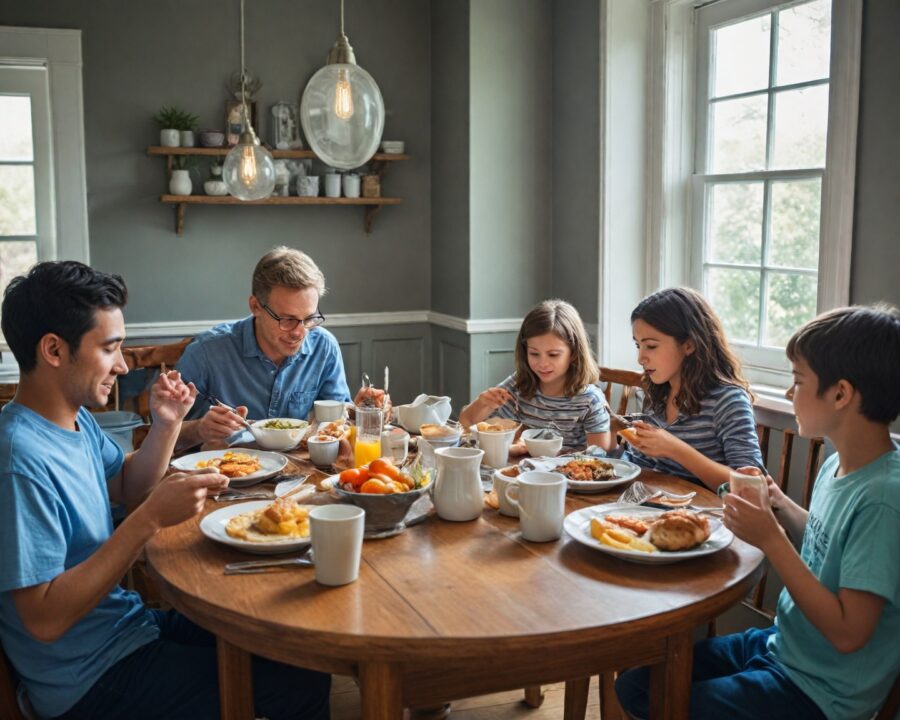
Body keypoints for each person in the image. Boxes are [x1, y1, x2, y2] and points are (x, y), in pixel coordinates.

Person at [0, 261, 330, 720]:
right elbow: (44, 619)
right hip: (89, 678)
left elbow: (128, 485)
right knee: (298, 684)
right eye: (110, 347)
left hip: (125, 627)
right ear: (54, 349)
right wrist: (150, 518)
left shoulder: (73, 421)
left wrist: (168, 425)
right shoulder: (20, 460)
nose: (121, 364)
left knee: (294, 650)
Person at [616, 304, 900, 720]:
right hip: (782, 645)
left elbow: (847, 634)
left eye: (798, 381)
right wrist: (782, 507)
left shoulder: (883, 499)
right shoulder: (839, 463)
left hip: (820, 691)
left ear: (840, 394)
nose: (788, 393)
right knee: (636, 683)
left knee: (662, 702)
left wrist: (770, 537)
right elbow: (824, 538)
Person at [175, 246, 358, 447]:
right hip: (224, 472)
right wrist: (199, 429)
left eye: (309, 318)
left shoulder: (324, 347)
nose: (299, 332)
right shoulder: (207, 353)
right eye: (287, 319)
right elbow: (160, 436)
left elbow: (338, 423)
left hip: (300, 471)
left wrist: (359, 410)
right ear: (255, 307)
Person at [624, 287, 764, 490]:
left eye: (651, 346)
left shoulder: (728, 401)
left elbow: (752, 486)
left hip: (704, 517)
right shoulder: (657, 392)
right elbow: (644, 466)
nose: (640, 358)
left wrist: (675, 449)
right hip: (647, 508)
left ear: (689, 345)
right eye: (638, 345)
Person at [459, 299, 614, 453]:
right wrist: (482, 403)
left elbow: (599, 453)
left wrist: (548, 459)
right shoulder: (520, 383)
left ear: (573, 353)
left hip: (570, 475)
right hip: (524, 473)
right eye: (534, 353)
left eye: (553, 355)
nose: (542, 363)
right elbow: (465, 422)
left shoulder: (590, 400)